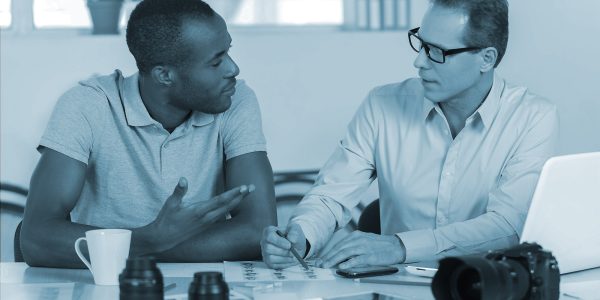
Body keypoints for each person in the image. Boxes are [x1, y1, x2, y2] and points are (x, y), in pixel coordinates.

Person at [261, 0, 559, 270]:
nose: (420, 62)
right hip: (395, 288)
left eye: (438, 52)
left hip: (483, 286)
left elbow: (507, 225)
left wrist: (400, 246)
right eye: (421, 43)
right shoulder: (382, 105)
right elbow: (330, 196)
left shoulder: (532, 118)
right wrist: (302, 234)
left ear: (486, 59)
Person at [21, 0, 276, 268]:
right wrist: (149, 240)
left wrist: (142, 246)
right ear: (164, 75)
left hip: (202, 285)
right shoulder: (87, 105)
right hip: (106, 287)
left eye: (228, 52)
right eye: (216, 62)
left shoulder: (236, 100)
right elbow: (36, 240)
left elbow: (257, 231)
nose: (233, 69)